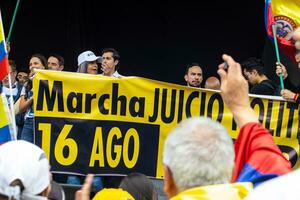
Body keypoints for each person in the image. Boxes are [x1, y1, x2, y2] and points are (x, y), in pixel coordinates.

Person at [162, 54, 291, 199]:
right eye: (193, 74)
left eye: (199, 74)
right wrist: (241, 107)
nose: (197, 77)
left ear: (168, 179)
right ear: (230, 170)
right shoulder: (251, 194)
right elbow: (274, 172)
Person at [19, 53, 47, 143]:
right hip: (29, 122)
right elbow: (21, 108)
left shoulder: (51, 82)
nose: (32, 66)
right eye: (30, 64)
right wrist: (33, 97)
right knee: (25, 152)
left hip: (46, 122)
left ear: (43, 66)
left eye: (36, 63)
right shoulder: (27, 84)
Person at [0, 60, 26, 139]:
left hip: (16, 136)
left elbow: (23, 117)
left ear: (15, 73)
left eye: (7, 73)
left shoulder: (23, 90)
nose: (4, 76)